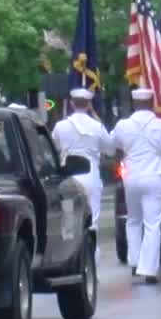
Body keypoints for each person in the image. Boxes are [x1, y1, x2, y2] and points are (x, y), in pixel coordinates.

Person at [110, 88, 161, 284]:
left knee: (133, 220)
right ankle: (149, 269)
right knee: (152, 224)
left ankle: (135, 260)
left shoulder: (123, 125)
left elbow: (110, 145)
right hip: (155, 177)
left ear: (134, 103)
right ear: (152, 103)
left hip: (131, 178)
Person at [51, 88, 113, 230]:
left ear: (72, 104)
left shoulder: (60, 126)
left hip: (69, 175)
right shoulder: (97, 126)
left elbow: (53, 149)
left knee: (68, 223)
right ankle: (92, 251)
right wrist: (96, 115)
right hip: (90, 174)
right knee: (93, 222)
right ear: (88, 104)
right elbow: (110, 150)